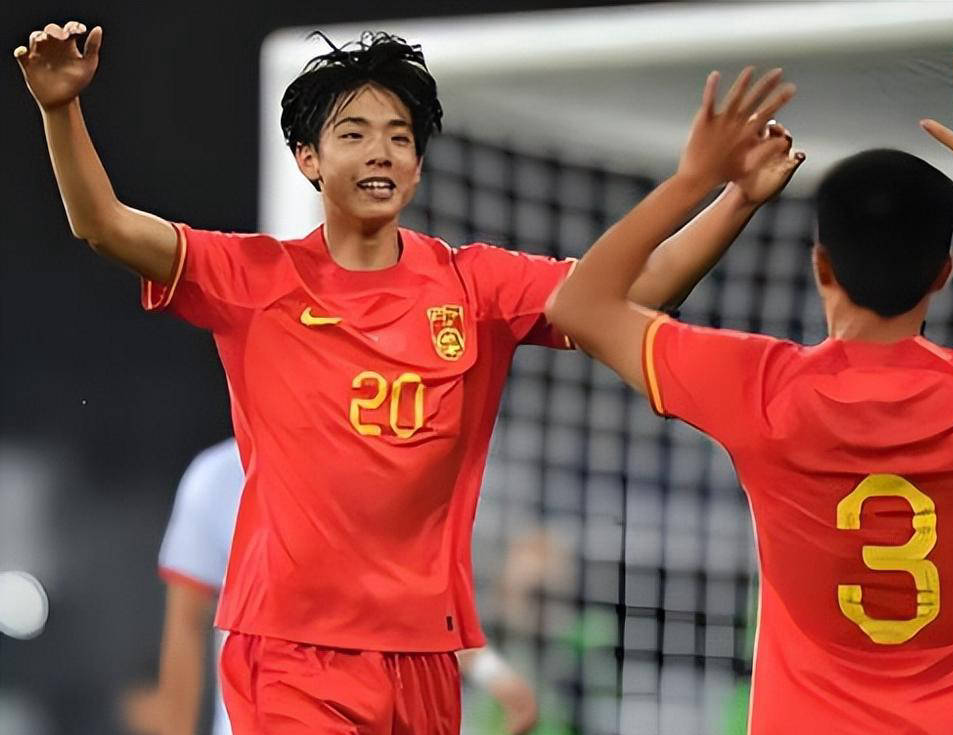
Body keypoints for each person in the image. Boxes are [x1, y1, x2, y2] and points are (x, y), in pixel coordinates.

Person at [15, 21, 797, 733]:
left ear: (418, 166)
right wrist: (61, 110)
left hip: (424, 652)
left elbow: (638, 290)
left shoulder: (475, 285)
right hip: (292, 651)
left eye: (399, 137)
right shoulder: (256, 276)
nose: (381, 152)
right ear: (308, 159)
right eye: (353, 133)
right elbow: (103, 225)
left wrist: (736, 200)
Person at [545, 41, 953, 734]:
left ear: (821, 266)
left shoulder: (762, 389)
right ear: (944, 273)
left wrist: (705, 183)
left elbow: (579, 305)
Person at [121, 439, 538, 735]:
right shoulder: (216, 478)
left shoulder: (367, 470)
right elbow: (186, 624)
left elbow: (400, 603)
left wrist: (493, 673)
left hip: (369, 710)